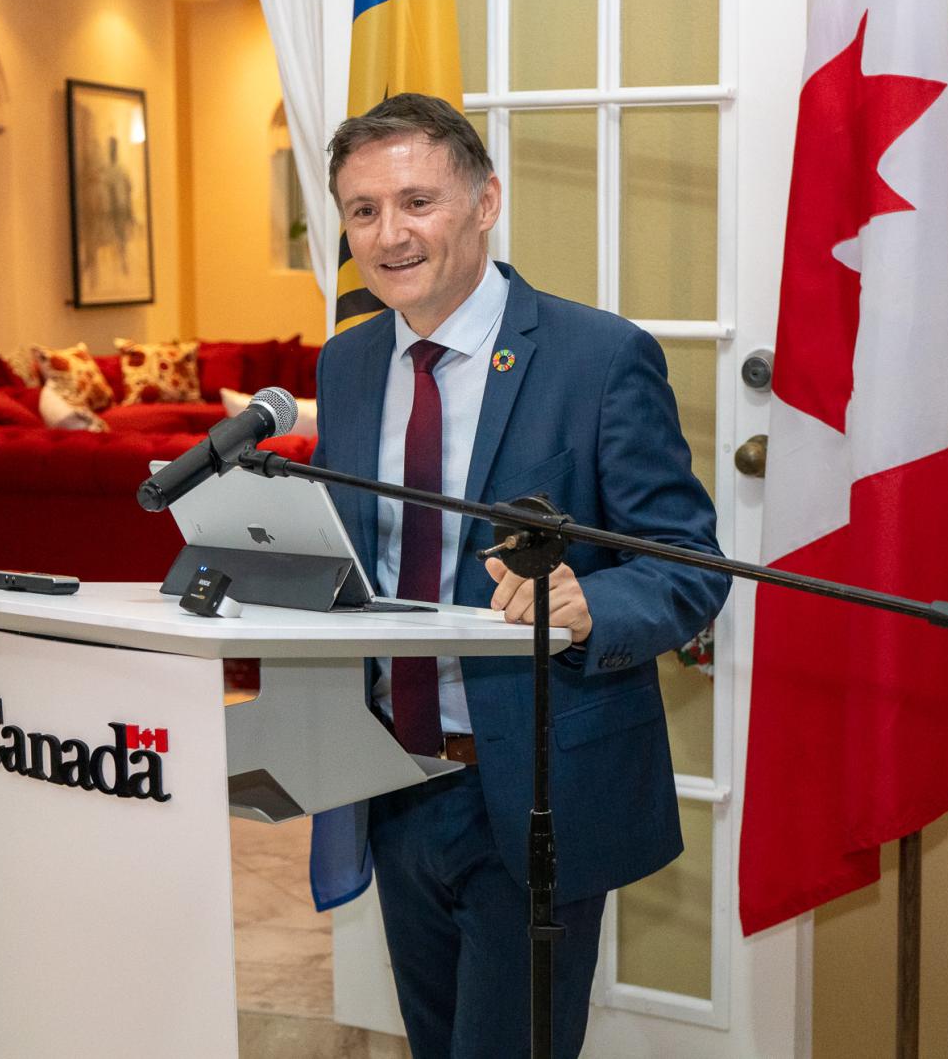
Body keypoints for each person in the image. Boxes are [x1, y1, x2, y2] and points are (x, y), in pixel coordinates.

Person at [310, 92, 731, 1059]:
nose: (389, 234)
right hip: (388, 779)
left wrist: (592, 602)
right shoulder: (348, 363)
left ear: (487, 201)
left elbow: (689, 562)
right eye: (363, 210)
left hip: (533, 790)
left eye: (417, 201)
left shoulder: (598, 358)